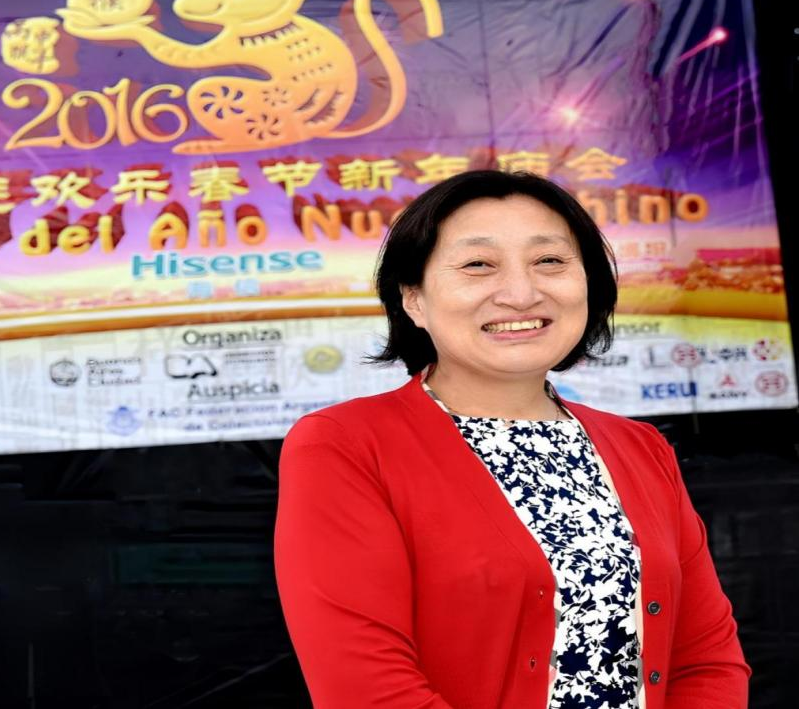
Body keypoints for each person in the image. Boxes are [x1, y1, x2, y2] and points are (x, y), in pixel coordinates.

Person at [274, 170, 749, 709]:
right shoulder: (344, 446)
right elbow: (366, 688)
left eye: (549, 261)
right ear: (414, 299)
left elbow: (707, 657)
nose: (522, 294)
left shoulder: (640, 446)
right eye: (478, 265)